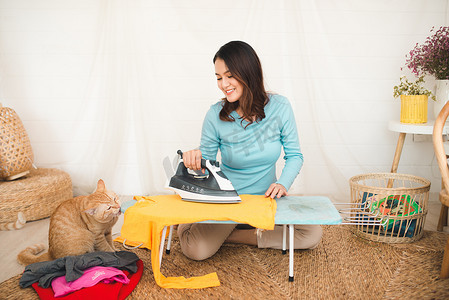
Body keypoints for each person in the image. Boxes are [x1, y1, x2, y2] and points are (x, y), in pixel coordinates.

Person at [177, 41, 322, 261]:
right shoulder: (215, 115)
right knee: (194, 248)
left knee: (312, 234)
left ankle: (236, 236)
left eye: (229, 76)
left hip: (266, 201)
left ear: (247, 72)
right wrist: (194, 158)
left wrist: (282, 184)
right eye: (218, 77)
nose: (223, 84)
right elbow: (206, 162)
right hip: (230, 201)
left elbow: (294, 156)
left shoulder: (280, 107)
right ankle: (195, 223)